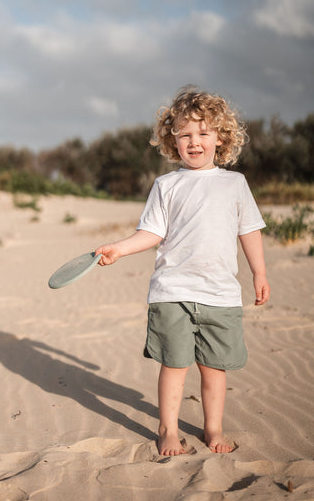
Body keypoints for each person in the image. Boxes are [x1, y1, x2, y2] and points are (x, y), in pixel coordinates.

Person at [95, 86, 270, 456]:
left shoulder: (235, 184)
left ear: (220, 137)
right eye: (185, 134)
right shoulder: (167, 185)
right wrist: (119, 249)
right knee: (173, 366)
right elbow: (152, 232)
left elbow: (249, 230)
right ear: (172, 139)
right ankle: (168, 430)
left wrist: (259, 273)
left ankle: (214, 429)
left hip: (220, 294)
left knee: (214, 369)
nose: (194, 142)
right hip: (172, 291)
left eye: (203, 133)